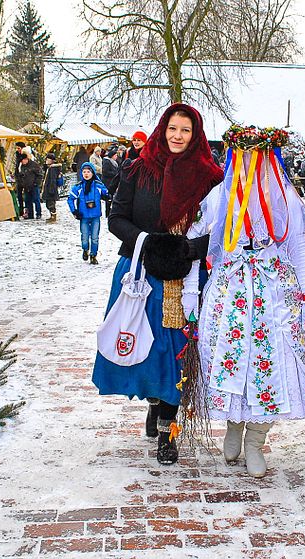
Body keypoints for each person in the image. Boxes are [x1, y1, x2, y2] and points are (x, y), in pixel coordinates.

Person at [189, 128, 305, 478]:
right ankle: (234, 426)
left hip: (274, 293)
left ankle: (256, 439)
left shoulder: (285, 196)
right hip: (230, 291)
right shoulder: (219, 196)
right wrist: (192, 290)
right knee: (232, 359)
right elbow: (195, 244)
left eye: (258, 156)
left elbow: (299, 247)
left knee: (273, 362)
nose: (251, 163)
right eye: (244, 157)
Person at [92, 103, 224, 465]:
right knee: (145, 348)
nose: (177, 136)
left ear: (195, 134)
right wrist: (149, 242)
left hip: (186, 276)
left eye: (185, 130)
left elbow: (220, 228)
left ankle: (168, 428)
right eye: (172, 128)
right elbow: (116, 219)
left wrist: (190, 248)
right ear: (162, 129)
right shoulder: (139, 169)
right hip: (141, 272)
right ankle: (154, 401)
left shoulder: (211, 177)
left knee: (175, 351)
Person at [67, 162, 109, 264]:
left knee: (95, 237)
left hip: (95, 216)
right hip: (84, 216)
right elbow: (70, 199)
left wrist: (107, 196)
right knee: (85, 237)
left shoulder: (98, 185)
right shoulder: (79, 187)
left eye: (88, 172)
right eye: (84, 172)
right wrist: (74, 211)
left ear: (92, 173)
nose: (86, 174)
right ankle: (85, 249)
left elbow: (107, 193)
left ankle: (93, 255)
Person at [16, 146, 43, 219]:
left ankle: (38, 213)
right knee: (28, 201)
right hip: (26, 186)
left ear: (26, 159)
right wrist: (21, 182)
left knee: (36, 200)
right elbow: (21, 175)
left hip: (34, 186)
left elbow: (40, 175)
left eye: (23, 160)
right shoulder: (22, 166)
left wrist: (36, 183)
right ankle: (30, 214)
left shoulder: (34, 165)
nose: (22, 162)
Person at [42, 153, 63, 222]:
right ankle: (52, 216)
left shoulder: (53, 169)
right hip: (49, 188)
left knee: (51, 204)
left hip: (51, 189)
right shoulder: (50, 167)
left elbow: (53, 179)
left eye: (48, 159)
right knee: (48, 203)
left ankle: (53, 216)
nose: (46, 160)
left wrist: (51, 189)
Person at [101, 146, 120, 214]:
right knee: (108, 197)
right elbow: (105, 171)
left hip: (112, 181)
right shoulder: (107, 162)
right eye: (115, 155)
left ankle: (110, 211)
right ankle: (107, 211)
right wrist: (115, 174)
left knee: (112, 197)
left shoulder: (114, 162)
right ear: (112, 156)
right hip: (107, 182)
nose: (116, 157)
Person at [14, 142, 27, 217]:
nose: (17, 150)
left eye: (19, 148)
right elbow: (17, 166)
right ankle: (21, 209)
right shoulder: (17, 155)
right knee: (19, 195)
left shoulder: (26, 155)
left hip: (25, 178)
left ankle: (27, 210)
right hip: (18, 178)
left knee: (26, 195)